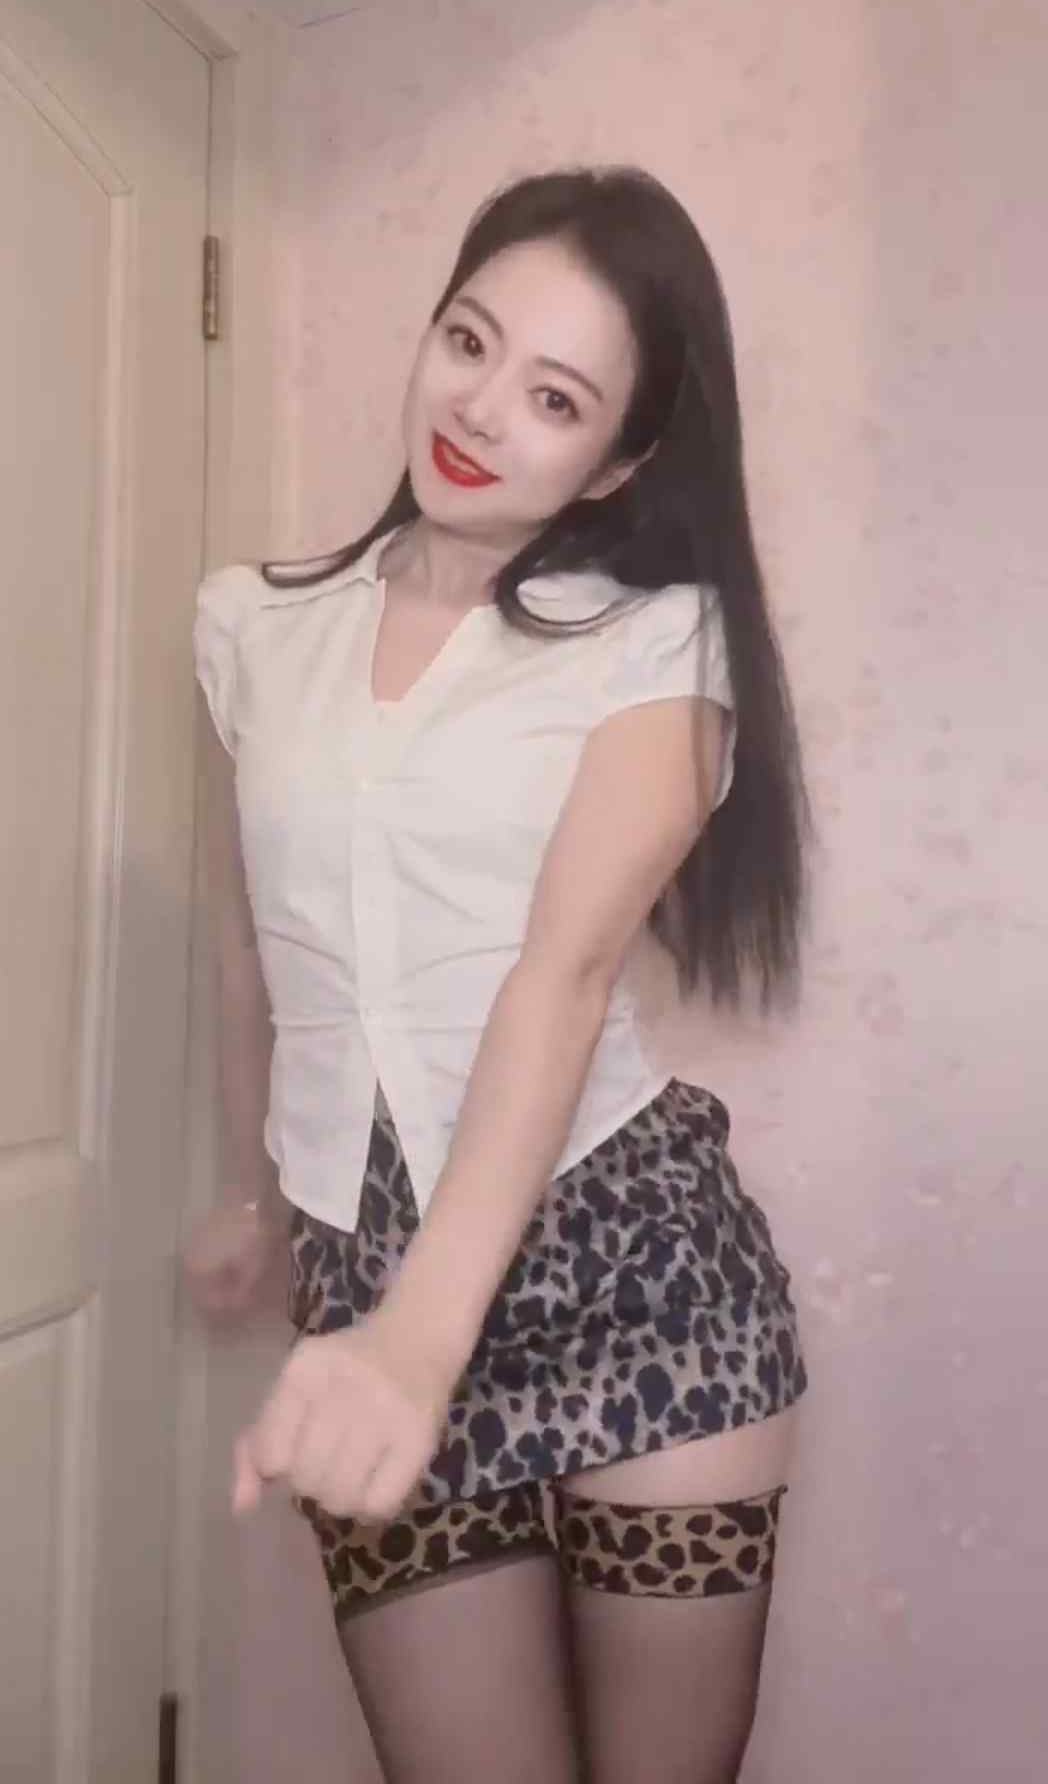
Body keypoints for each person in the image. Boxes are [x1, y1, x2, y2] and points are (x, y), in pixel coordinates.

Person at [185, 166, 809, 1784]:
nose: (478, 409)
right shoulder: (254, 626)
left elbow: (563, 974)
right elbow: (255, 940)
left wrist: (420, 1339)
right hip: (367, 1264)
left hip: (632, 1271)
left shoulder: (657, 640)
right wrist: (256, 1196)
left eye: (555, 397)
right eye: (469, 341)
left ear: (622, 458)